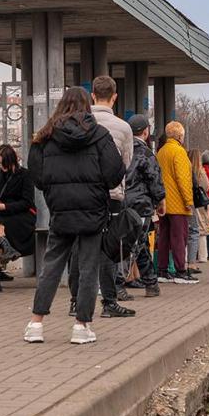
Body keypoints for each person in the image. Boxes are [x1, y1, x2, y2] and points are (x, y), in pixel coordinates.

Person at [25, 87, 125, 345]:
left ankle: (36, 323)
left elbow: (36, 175)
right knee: (89, 267)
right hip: (93, 210)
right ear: (87, 105)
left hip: (60, 210)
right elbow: (115, 172)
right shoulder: (100, 135)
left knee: (52, 265)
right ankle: (82, 326)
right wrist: (97, 185)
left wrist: (53, 189)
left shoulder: (45, 136)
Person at [85, 75, 135, 318]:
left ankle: (77, 301)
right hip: (112, 195)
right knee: (108, 249)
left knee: (80, 247)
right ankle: (109, 301)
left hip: (85, 194)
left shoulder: (82, 123)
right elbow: (126, 163)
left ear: (92, 95)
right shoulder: (123, 128)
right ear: (114, 97)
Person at [0, 145, 36, 293]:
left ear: (10, 161)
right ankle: (6, 247)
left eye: (2, 164)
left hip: (20, 216)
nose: (0, 167)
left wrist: (5, 206)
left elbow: (27, 202)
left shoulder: (24, 175)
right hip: (1, 213)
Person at [125, 114, 166, 297]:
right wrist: (160, 201)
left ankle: (151, 282)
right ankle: (118, 284)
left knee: (137, 243)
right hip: (141, 205)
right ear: (146, 132)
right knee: (135, 244)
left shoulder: (122, 151)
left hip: (123, 203)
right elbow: (155, 180)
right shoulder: (146, 154)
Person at [156, 121, 198, 284]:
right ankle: (181, 271)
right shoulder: (179, 152)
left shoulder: (161, 152)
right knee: (180, 237)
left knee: (164, 237)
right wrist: (188, 201)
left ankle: (162, 270)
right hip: (178, 203)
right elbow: (183, 179)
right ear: (180, 136)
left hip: (164, 203)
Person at [186, 149, 209, 273]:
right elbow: (206, 186)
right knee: (199, 231)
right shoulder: (200, 171)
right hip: (199, 202)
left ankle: (187, 257)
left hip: (187, 202)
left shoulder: (185, 165)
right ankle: (201, 256)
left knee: (187, 230)